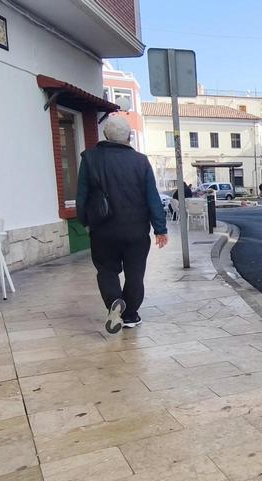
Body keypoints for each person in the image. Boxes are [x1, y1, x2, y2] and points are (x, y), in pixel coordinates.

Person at [76, 116, 168, 334]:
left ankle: (114, 302)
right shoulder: (141, 161)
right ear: (128, 137)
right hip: (136, 230)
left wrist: (85, 221)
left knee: (106, 270)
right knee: (135, 273)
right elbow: (152, 197)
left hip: (103, 229)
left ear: (106, 136)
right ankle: (130, 315)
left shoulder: (89, 158)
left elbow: (81, 196)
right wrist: (160, 229)